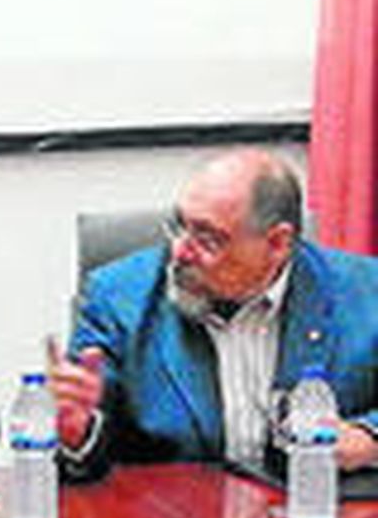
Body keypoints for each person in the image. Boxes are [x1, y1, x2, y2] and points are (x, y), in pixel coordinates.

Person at [49, 147, 378, 477]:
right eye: (178, 226)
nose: (179, 251)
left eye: (207, 239)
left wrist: (369, 438)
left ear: (278, 244)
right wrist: (80, 433)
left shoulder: (366, 292)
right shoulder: (118, 298)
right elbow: (88, 447)